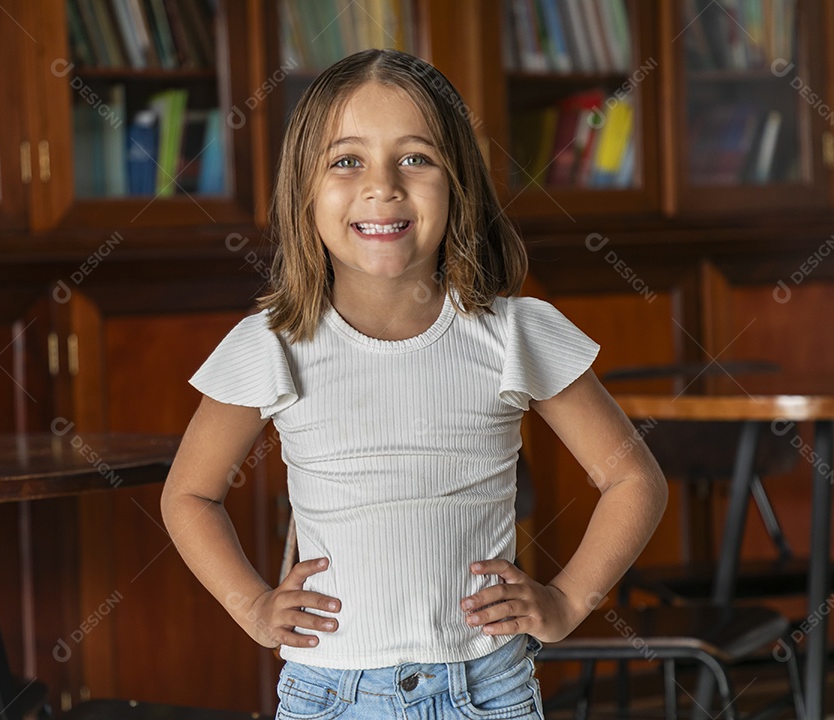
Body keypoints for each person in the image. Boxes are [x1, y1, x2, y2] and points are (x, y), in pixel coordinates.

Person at [161, 48, 667, 719]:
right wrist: (253, 606)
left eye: (416, 158)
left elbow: (634, 481)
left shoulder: (514, 334)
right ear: (304, 189)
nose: (383, 186)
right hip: (328, 696)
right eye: (347, 160)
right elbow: (190, 494)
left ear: (458, 182)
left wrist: (568, 600)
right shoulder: (270, 344)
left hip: (487, 689)